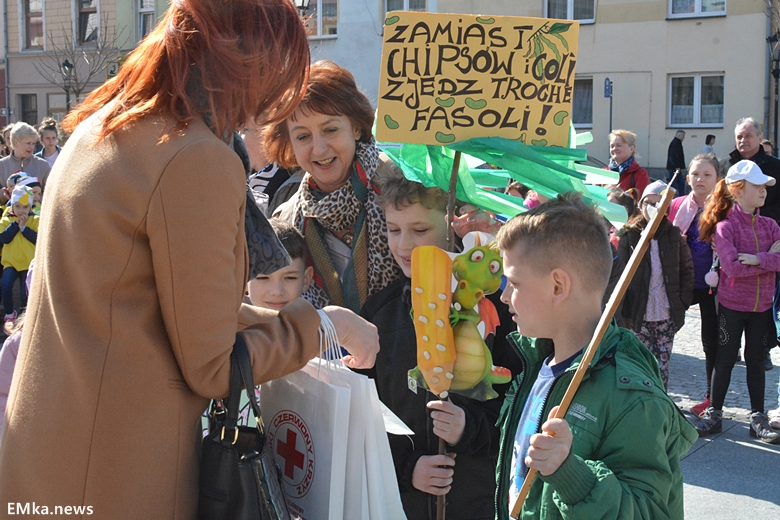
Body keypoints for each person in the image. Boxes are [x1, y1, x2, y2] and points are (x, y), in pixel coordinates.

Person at [0, 2, 380, 518]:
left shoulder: (106, 124)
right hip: (119, 468)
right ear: (248, 60)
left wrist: (306, 323)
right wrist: (323, 327)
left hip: (51, 448)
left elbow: (161, 306)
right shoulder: (195, 154)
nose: (274, 96)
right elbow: (211, 363)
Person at [494, 193, 696, 519]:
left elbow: (649, 511)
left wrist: (572, 475)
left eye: (514, 283)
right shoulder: (535, 363)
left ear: (558, 286)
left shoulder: (633, 398)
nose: (504, 295)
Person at [359, 174, 504, 520]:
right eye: (394, 230)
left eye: (420, 230)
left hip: (476, 501)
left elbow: (515, 408)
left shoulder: (494, 309)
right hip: (403, 506)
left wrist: (467, 429)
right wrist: (406, 468)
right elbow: (363, 417)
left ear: (453, 226)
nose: (404, 244)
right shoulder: (378, 314)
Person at [269, 60, 403, 312]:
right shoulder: (286, 219)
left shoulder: (405, 188)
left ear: (356, 127)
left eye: (330, 130)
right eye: (303, 136)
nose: (319, 149)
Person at [695, 160, 780, 444]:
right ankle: (714, 413)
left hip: (762, 308)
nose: (763, 191)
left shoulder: (771, 225)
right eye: (757, 186)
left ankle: (757, 417)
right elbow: (731, 268)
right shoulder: (725, 227)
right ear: (738, 190)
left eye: (765, 186)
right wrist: (769, 261)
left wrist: (757, 259)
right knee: (725, 359)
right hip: (732, 307)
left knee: (756, 362)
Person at [617, 181, 694, 390]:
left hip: (665, 310)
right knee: (641, 362)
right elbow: (620, 272)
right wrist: (624, 307)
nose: (653, 208)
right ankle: (642, 400)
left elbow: (686, 269)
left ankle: (661, 399)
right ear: (640, 205)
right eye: (649, 203)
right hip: (639, 311)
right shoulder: (630, 235)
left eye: (658, 204)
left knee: (662, 364)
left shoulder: (673, 235)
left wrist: (682, 301)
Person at [668, 154, 720, 416]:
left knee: (711, 342)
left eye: (707, 174)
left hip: (713, 284)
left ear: (717, 179)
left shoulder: (725, 207)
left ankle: (711, 398)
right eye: (696, 174)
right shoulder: (677, 205)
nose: (700, 179)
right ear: (687, 178)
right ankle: (657, 392)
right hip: (681, 281)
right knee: (663, 336)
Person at [729, 117, 780, 370]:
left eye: (748, 136)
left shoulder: (775, 167)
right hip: (734, 238)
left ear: (759, 138)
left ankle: (763, 348)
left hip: (768, 240)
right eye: (739, 136)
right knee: (733, 293)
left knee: (766, 297)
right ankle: (732, 346)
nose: (743, 141)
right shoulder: (729, 166)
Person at [246, 219, 313, 311]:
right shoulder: (228, 318)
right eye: (263, 278)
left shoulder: (323, 319)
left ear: (305, 279)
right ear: (243, 280)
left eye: (290, 278)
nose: (277, 292)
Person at [0, 185, 37, 328]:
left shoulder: (36, 220)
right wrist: (16, 225)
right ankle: (9, 313)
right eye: (17, 206)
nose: (21, 210)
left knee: (24, 293)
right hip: (11, 262)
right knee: (6, 285)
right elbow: (4, 239)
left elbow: (37, 239)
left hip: (28, 262)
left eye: (25, 207)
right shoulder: (5, 221)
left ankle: (25, 317)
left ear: (30, 207)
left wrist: (24, 228)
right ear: (12, 206)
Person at [0, 122, 51, 188]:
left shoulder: (43, 166)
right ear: (16, 143)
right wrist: (3, 193)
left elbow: (50, 191)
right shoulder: (2, 165)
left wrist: (37, 193)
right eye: (28, 143)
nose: (31, 147)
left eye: (33, 143)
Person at [608, 129, 650, 196]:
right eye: (612, 146)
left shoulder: (640, 175)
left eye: (619, 145)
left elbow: (641, 200)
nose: (614, 149)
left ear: (631, 149)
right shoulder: (604, 172)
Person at [667, 130, 687, 196]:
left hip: (674, 167)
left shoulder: (676, 142)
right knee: (676, 183)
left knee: (678, 183)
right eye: (683, 136)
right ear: (679, 136)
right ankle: (677, 195)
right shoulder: (676, 143)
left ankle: (678, 195)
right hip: (674, 168)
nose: (684, 138)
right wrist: (677, 166)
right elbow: (673, 156)